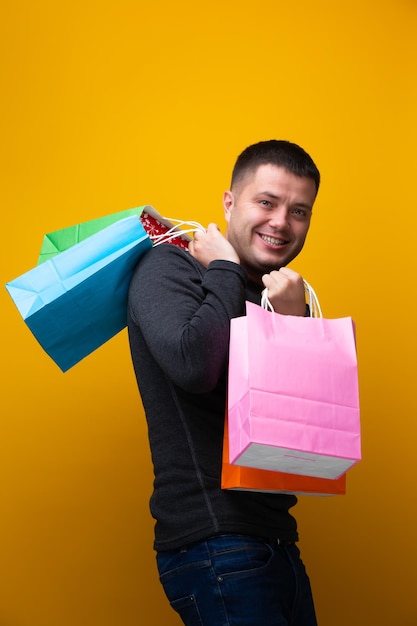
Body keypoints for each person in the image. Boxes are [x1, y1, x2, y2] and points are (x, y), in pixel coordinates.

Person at [127, 139, 321, 625]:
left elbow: (300, 436)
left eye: (299, 210)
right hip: (215, 542)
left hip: (277, 540)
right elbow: (195, 366)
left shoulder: (279, 293)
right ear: (229, 203)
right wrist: (227, 268)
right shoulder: (169, 267)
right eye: (267, 202)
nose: (282, 222)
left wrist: (293, 323)